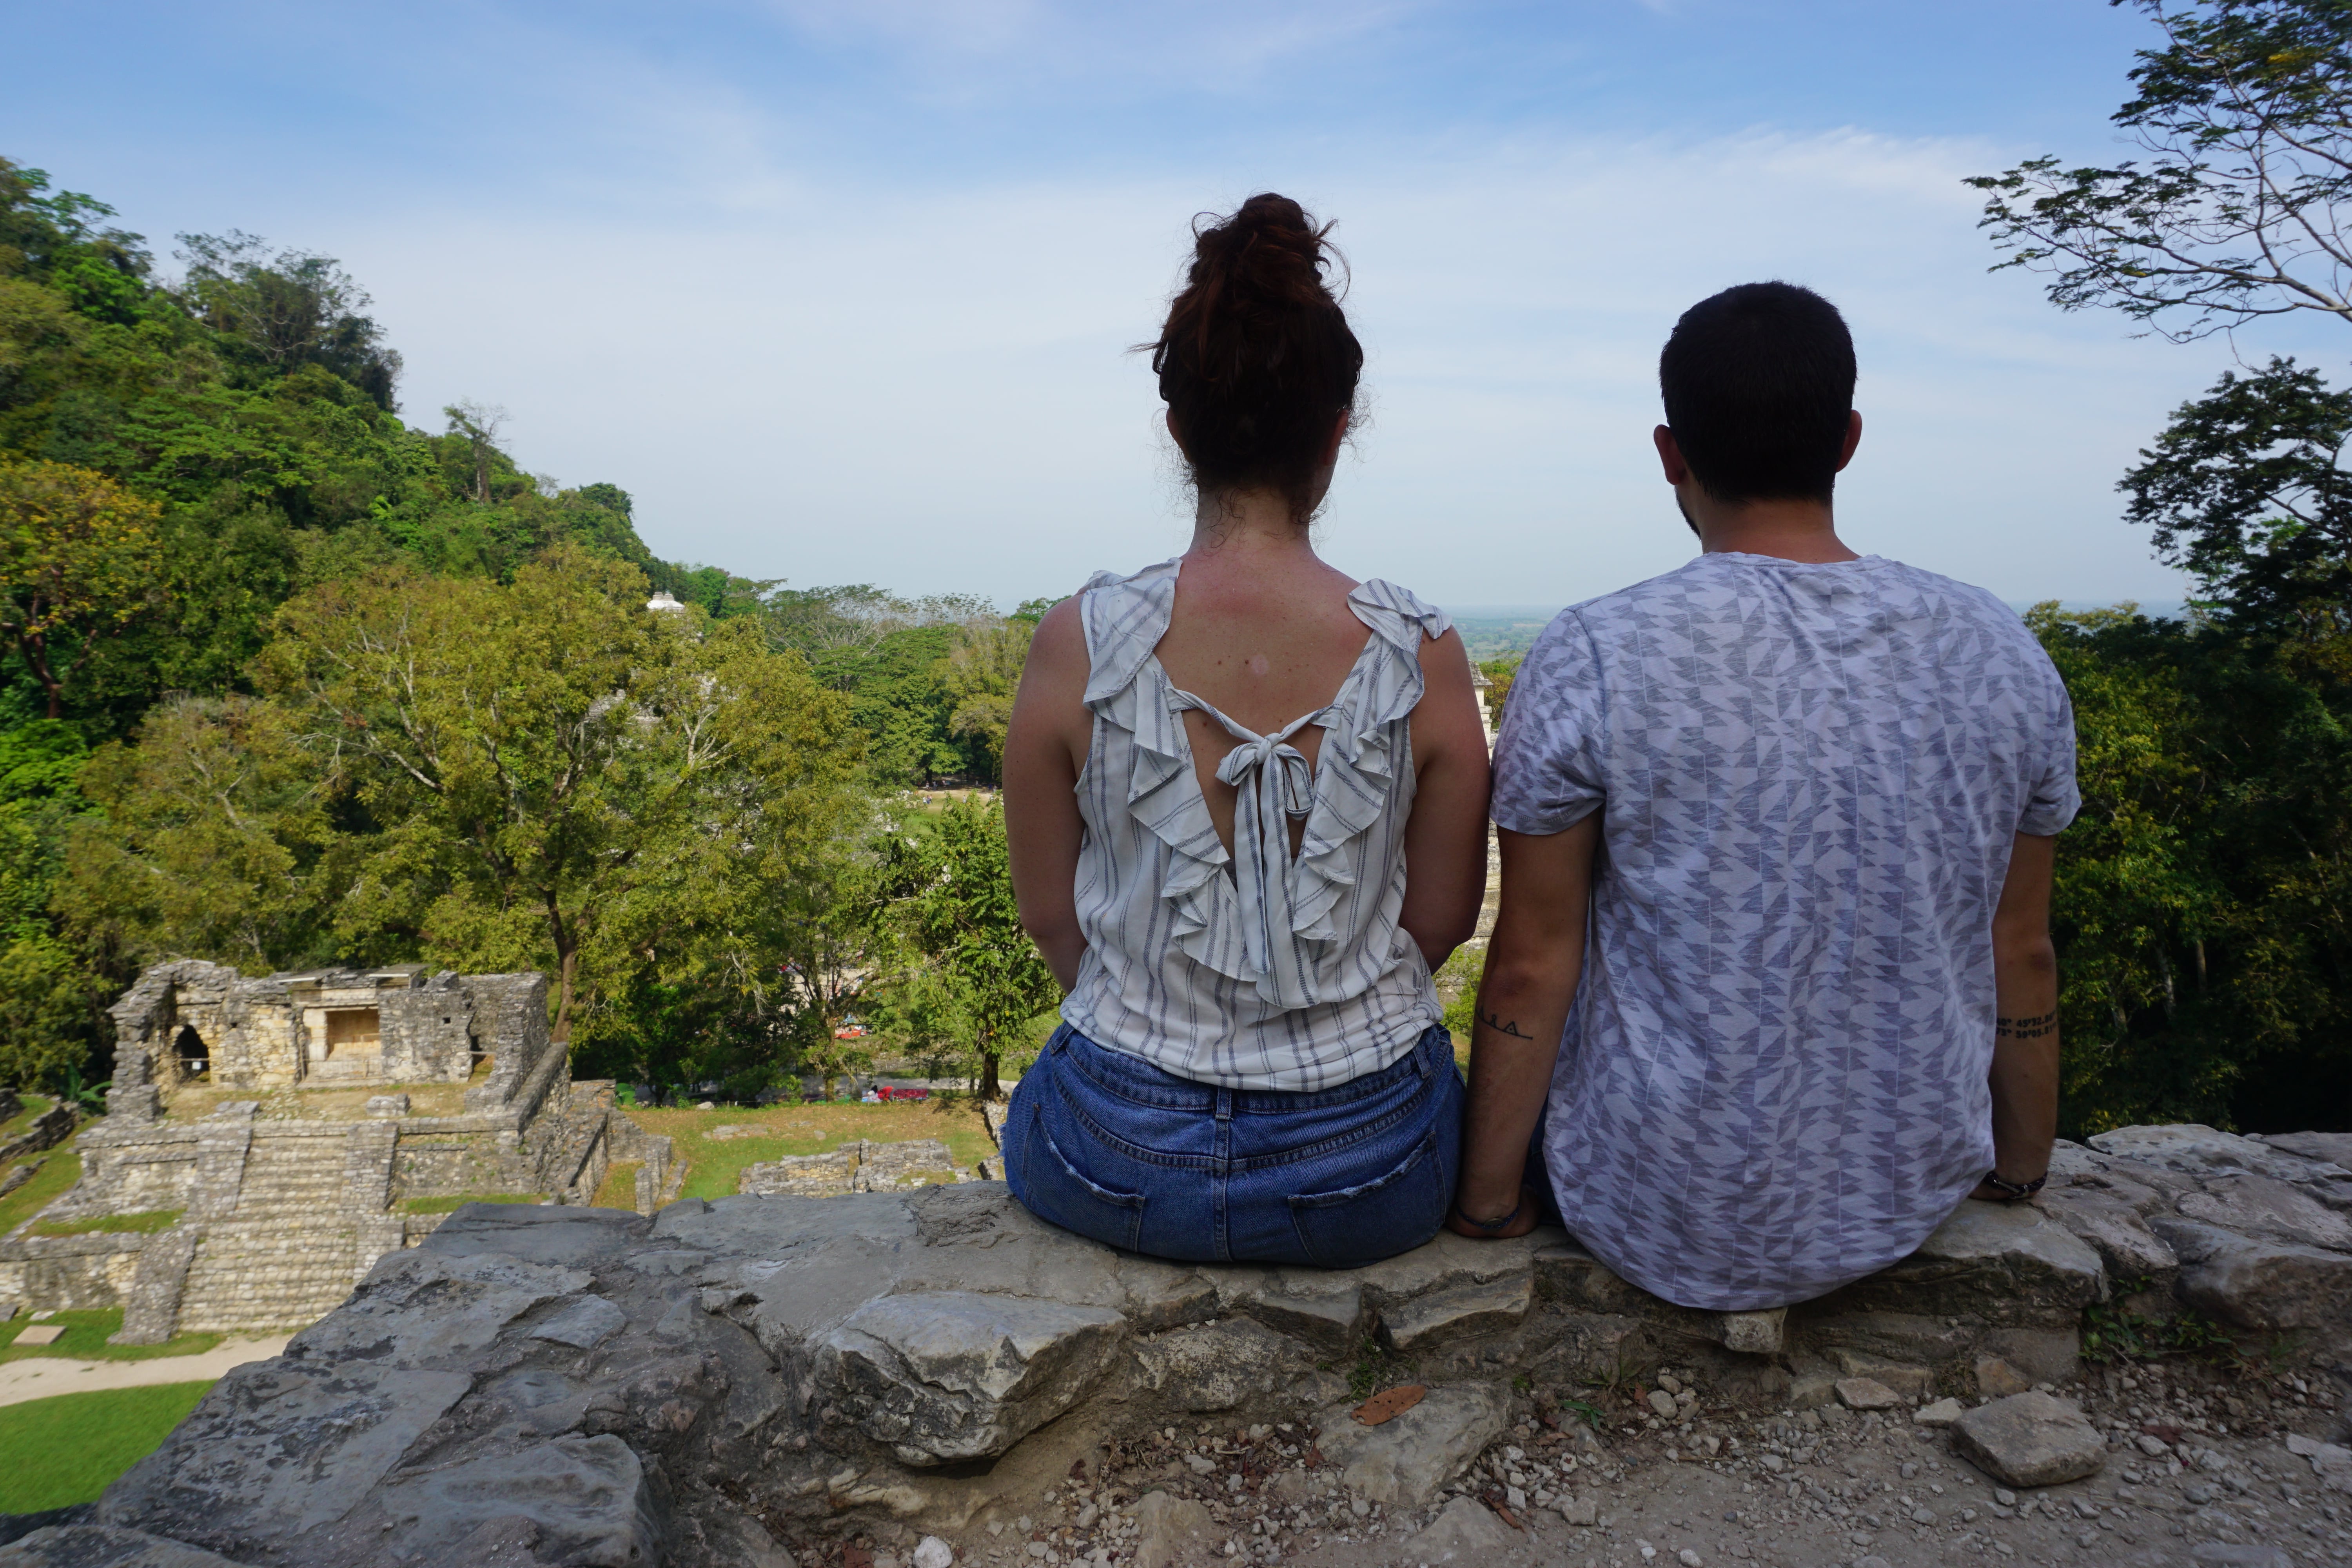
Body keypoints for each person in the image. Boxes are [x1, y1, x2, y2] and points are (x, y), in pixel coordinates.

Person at [1451, 282, 2076, 1311]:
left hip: (1652, 1208)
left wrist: (1483, 1203)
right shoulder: (2000, 651)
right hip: (1905, 1196)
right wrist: (2019, 1169)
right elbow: (2021, 949)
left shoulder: (1599, 651)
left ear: (1670, 453)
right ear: (1848, 440)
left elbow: (1528, 963)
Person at [999, 194, 1491, 1268]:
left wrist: (1172, 1040)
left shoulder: (1075, 642)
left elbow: (1052, 923)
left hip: (1112, 1157)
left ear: (1178, 429)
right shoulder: (1425, 652)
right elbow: (1443, 920)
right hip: (1372, 1166)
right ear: (1337, 429)